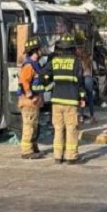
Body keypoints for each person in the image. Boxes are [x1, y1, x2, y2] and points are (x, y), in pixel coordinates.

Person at [42, 34, 86, 164]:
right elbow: (80, 82)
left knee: (58, 129)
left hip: (56, 101)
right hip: (71, 101)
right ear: (72, 48)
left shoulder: (54, 61)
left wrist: (48, 86)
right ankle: (71, 157)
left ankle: (58, 156)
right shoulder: (76, 63)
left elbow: (43, 75)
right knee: (72, 129)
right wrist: (82, 98)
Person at [17, 36, 46, 159]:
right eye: (40, 49)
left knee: (34, 126)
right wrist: (30, 95)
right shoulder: (29, 66)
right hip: (29, 102)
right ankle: (26, 151)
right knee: (29, 126)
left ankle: (33, 148)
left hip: (34, 103)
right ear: (35, 50)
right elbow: (24, 81)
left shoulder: (35, 64)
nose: (41, 51)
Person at [78, 45, 96, 124]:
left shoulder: (79, 60)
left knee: (82, 98)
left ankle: (81, 116)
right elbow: (94, 69)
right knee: (90, 98)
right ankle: (92, 116)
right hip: (89, 78)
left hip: (82, 78)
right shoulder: (89, 60)